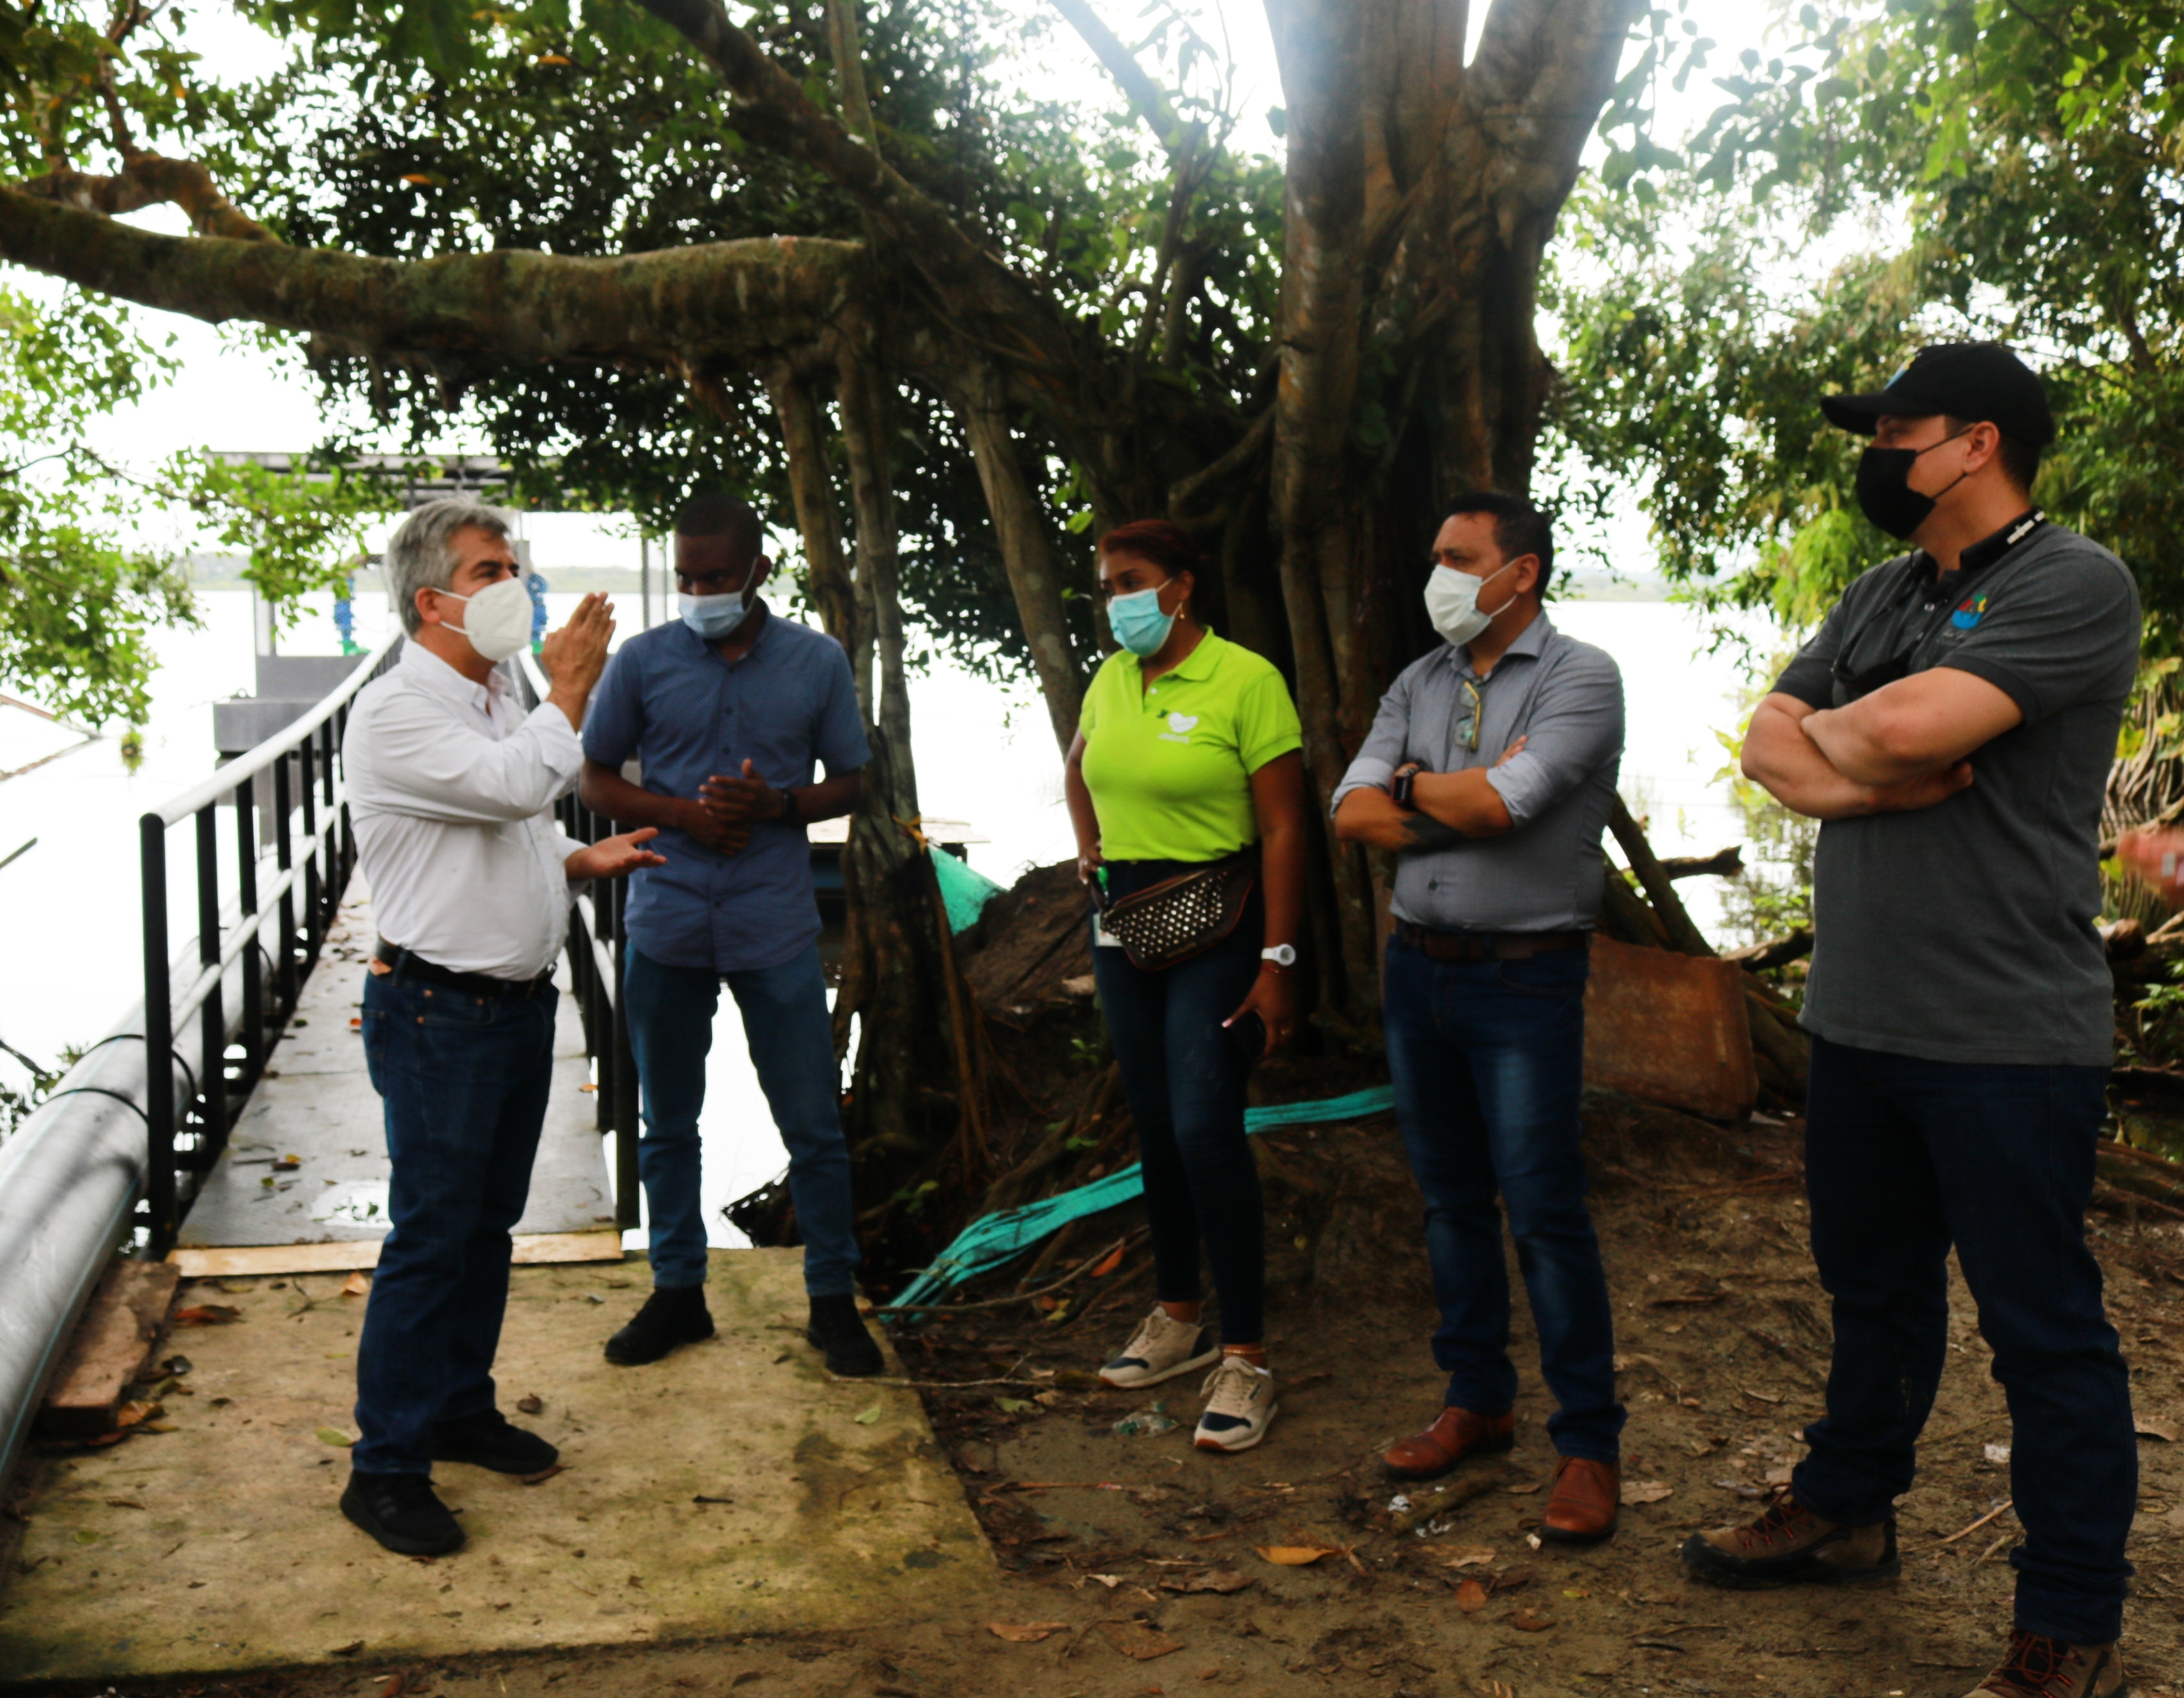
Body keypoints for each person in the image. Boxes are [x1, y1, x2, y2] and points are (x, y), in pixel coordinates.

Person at [1701, 343, 2139, 1698]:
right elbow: (1772, 740)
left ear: (1976, 443)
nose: (1876, 450)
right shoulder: (1883, 588)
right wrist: (1866, 778)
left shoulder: (2070, 580)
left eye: (1898, 429)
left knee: (2039, 1328)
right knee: (1872, 1296)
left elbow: (1909, 722)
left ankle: (2064, 1621)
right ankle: (1845, 1509)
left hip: (2004, 1034)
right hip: (1858, 1021)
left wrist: (1848, 739)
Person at [341, 499, 664, 1557]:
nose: (512, 587)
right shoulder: (397, 712)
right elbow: (516, 783)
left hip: (515, 1009)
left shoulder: (494, 695)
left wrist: (579, 860)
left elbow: (508, 828)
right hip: (438, 1012)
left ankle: (456, 1406)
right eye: (490, 572)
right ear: (432, 600)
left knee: (486, 1231)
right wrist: (569, 690)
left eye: (512, 566)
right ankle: (384, 1467)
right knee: (433, 1239)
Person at [1332, 491, 1629, 1545]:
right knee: (1450, 1201)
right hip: (1418, 973)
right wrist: (1446, 795)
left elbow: (1514, 804)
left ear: (1522, 573)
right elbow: (1348, 810)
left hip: (1525, 980)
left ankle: (1587, 1446)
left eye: (1460, 558)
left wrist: (1417, 789)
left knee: (1544, 1212)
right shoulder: (1418, 679)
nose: (1440, 577)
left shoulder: (1579, 676)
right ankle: (1477, 1399)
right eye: (1436, 557)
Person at [578, 492, 884, 1378]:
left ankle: (832, 1300)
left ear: (757, 571)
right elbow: (596, 778)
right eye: (685, 576)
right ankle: (678, 1291)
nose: (697, 590)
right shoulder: (640, 663)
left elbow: (854, 783)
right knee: (666, 1122)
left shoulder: (816, 662)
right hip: (666, 917)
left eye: (714, 576)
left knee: (813, 1125)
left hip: (775, 923)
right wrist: (679, 814)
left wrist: (778, 806)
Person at [1064, 519, 1307, 1453]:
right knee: (1155, 1120)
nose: (1116, 599)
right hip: (1125, 924)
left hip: (1219, 916)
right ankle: (1175, 1316)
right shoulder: (1110, 679)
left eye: (1131, 581)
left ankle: (1243, 1358)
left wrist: (1277, 963)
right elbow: (1079, 766)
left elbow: (1285, 827)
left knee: (1206, 1125)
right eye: (1106, 585)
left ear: (1181, 588)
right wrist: (1088, 845)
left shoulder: (1246, 680)